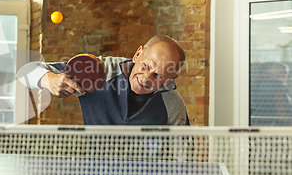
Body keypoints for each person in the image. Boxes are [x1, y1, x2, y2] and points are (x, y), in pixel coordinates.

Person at [17, 35, 189, 125]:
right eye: (146, 66)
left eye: (158, 75)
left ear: (169, 80)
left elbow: (185, 158)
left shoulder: (172, 103)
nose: (146, 78)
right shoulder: (98, 70)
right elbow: (24, 72)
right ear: (137, 54)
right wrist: (49, 79)